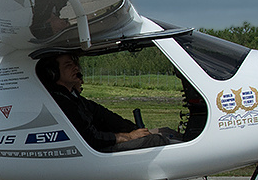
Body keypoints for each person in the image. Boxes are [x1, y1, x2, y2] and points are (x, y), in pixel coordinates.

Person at [36, 52, 179, 151]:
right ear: (53, 73)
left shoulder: (75, 98)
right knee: (155, 141)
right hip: (94, 149)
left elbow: (105, 116)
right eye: (68, 65)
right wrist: (128, 137)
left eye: (75, 63)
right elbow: (90, 137)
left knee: (164, 131)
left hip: (99, 145)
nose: (76, 67)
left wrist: (134, 130)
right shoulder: (61, 102)